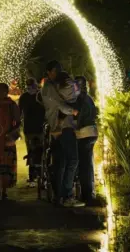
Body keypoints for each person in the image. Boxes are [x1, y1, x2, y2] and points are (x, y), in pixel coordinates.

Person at [41, 60, 84, 207]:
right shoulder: (48, 87)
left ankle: (59, 196)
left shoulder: (54, 85)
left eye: (60, 69)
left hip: (61, 127)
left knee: (61, 162)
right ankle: (66, 195)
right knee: (72, 160)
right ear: (49, 71)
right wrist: (73, 110)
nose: (58, 72)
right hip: (62, 128)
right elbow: (60, 105)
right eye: (56, 70)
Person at [0, 83, 20, 200]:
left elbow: (17, 122)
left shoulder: (11, 105)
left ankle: (3, 191)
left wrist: (12, 135)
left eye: (2, 91)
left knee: (6, 167)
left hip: (6, 139)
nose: (0, 93)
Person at [75, 76, 98, 206]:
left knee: (83, 165)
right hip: (92, 132)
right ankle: (90, 193)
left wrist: (74, 126)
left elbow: (79, 117)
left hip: (83, 133)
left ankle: (86, 195)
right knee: (88, 164)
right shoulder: (89, 98)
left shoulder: (80, 99)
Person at [19, 78, 46, 187]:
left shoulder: (41, 96)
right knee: (31, 152)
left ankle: (39, 175)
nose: (30, 88)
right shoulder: (24, 97)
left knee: (40, 151)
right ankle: (33, 176)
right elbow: (19, 112)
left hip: (40, 128)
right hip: (30, 129)